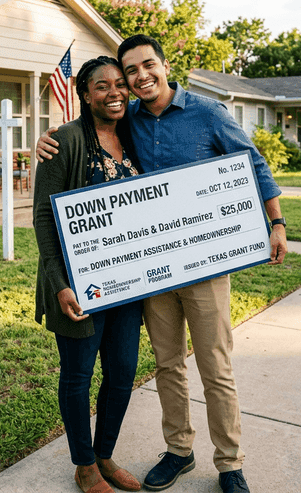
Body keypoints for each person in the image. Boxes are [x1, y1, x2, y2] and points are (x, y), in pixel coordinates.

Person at [37, 35, 288, 493]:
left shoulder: (207, 113)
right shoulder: (126, 116)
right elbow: (82, 138)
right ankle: (179, 450)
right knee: (168, 364)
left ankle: (230, 463)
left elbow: (253, 164)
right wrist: (46, 140)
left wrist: (276, 222)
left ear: (165, 65)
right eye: (129, 72)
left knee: (215, 365)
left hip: (205, 264)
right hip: (145, 272)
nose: (136, 78)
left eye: (144, 66)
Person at [33, 56, 144, 493]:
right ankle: (83, 464)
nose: (115, 92)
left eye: (120, 84)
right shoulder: (63, 141)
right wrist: (59, 284)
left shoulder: (136, 135)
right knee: (78, 376)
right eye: (102, 86)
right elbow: (44, 216)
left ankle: (105, 455)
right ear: (83, 92)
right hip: (79, 283)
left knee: (122, 372)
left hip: (131, 282)